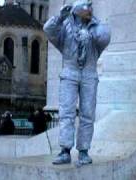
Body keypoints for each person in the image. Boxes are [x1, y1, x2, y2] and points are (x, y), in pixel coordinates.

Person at [43, 0, 111, 166]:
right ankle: (65, 150)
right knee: (66, 113)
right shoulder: (65, 26)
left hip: (89, 73)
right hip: (70, 72)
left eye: (90, 7)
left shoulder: (96, 26)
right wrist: (59, 16)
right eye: (86, 7)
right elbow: (48, 30)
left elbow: (105, 36)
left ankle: (84, 151)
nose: (89, 9)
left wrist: (91, 35)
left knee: (87, 114)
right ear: (76, 10)